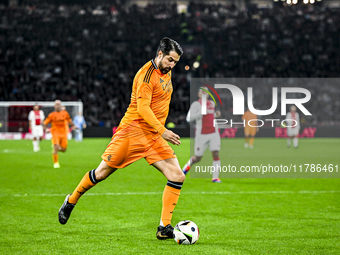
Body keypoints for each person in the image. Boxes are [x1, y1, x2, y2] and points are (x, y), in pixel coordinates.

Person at [58, 37, 184, 241]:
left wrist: (158, 132)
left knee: (177, 176)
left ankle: (164, 227)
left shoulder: (166, 72)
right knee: (101, 173)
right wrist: (163, 130)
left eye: (175, 62)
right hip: (132, 132)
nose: (172, 65)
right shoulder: (146, 76)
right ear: (159, 54)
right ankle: (71, 200)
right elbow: (143, 109)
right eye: (170, 60)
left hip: (152, 137)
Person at [182, 87, 222, 183]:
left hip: (213, 132)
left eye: (206, 92)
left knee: (216, 153)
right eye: (202, 92)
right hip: (202, 134)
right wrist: (200, 113)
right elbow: (188, 118)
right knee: (198, 158)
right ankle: (186, 168)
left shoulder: (211, 103)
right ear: (199, 94)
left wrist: (216, 114)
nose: (204, 93)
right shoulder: (196, 104)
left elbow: (210, 116)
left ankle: (215, 177)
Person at [43, 100, 77, 168]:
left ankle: (56, 148)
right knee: (56, 147)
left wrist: (73, 125)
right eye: (56, 104)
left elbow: (69, 120)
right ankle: (56, 163)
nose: (58, 106)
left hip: (64, 133)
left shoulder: (65, 113)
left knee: (64, 149)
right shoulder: (51, 115)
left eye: (59, 104)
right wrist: (46, 129)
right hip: (55, 133)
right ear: (54, 106)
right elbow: (45, 123)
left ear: (61, 106)